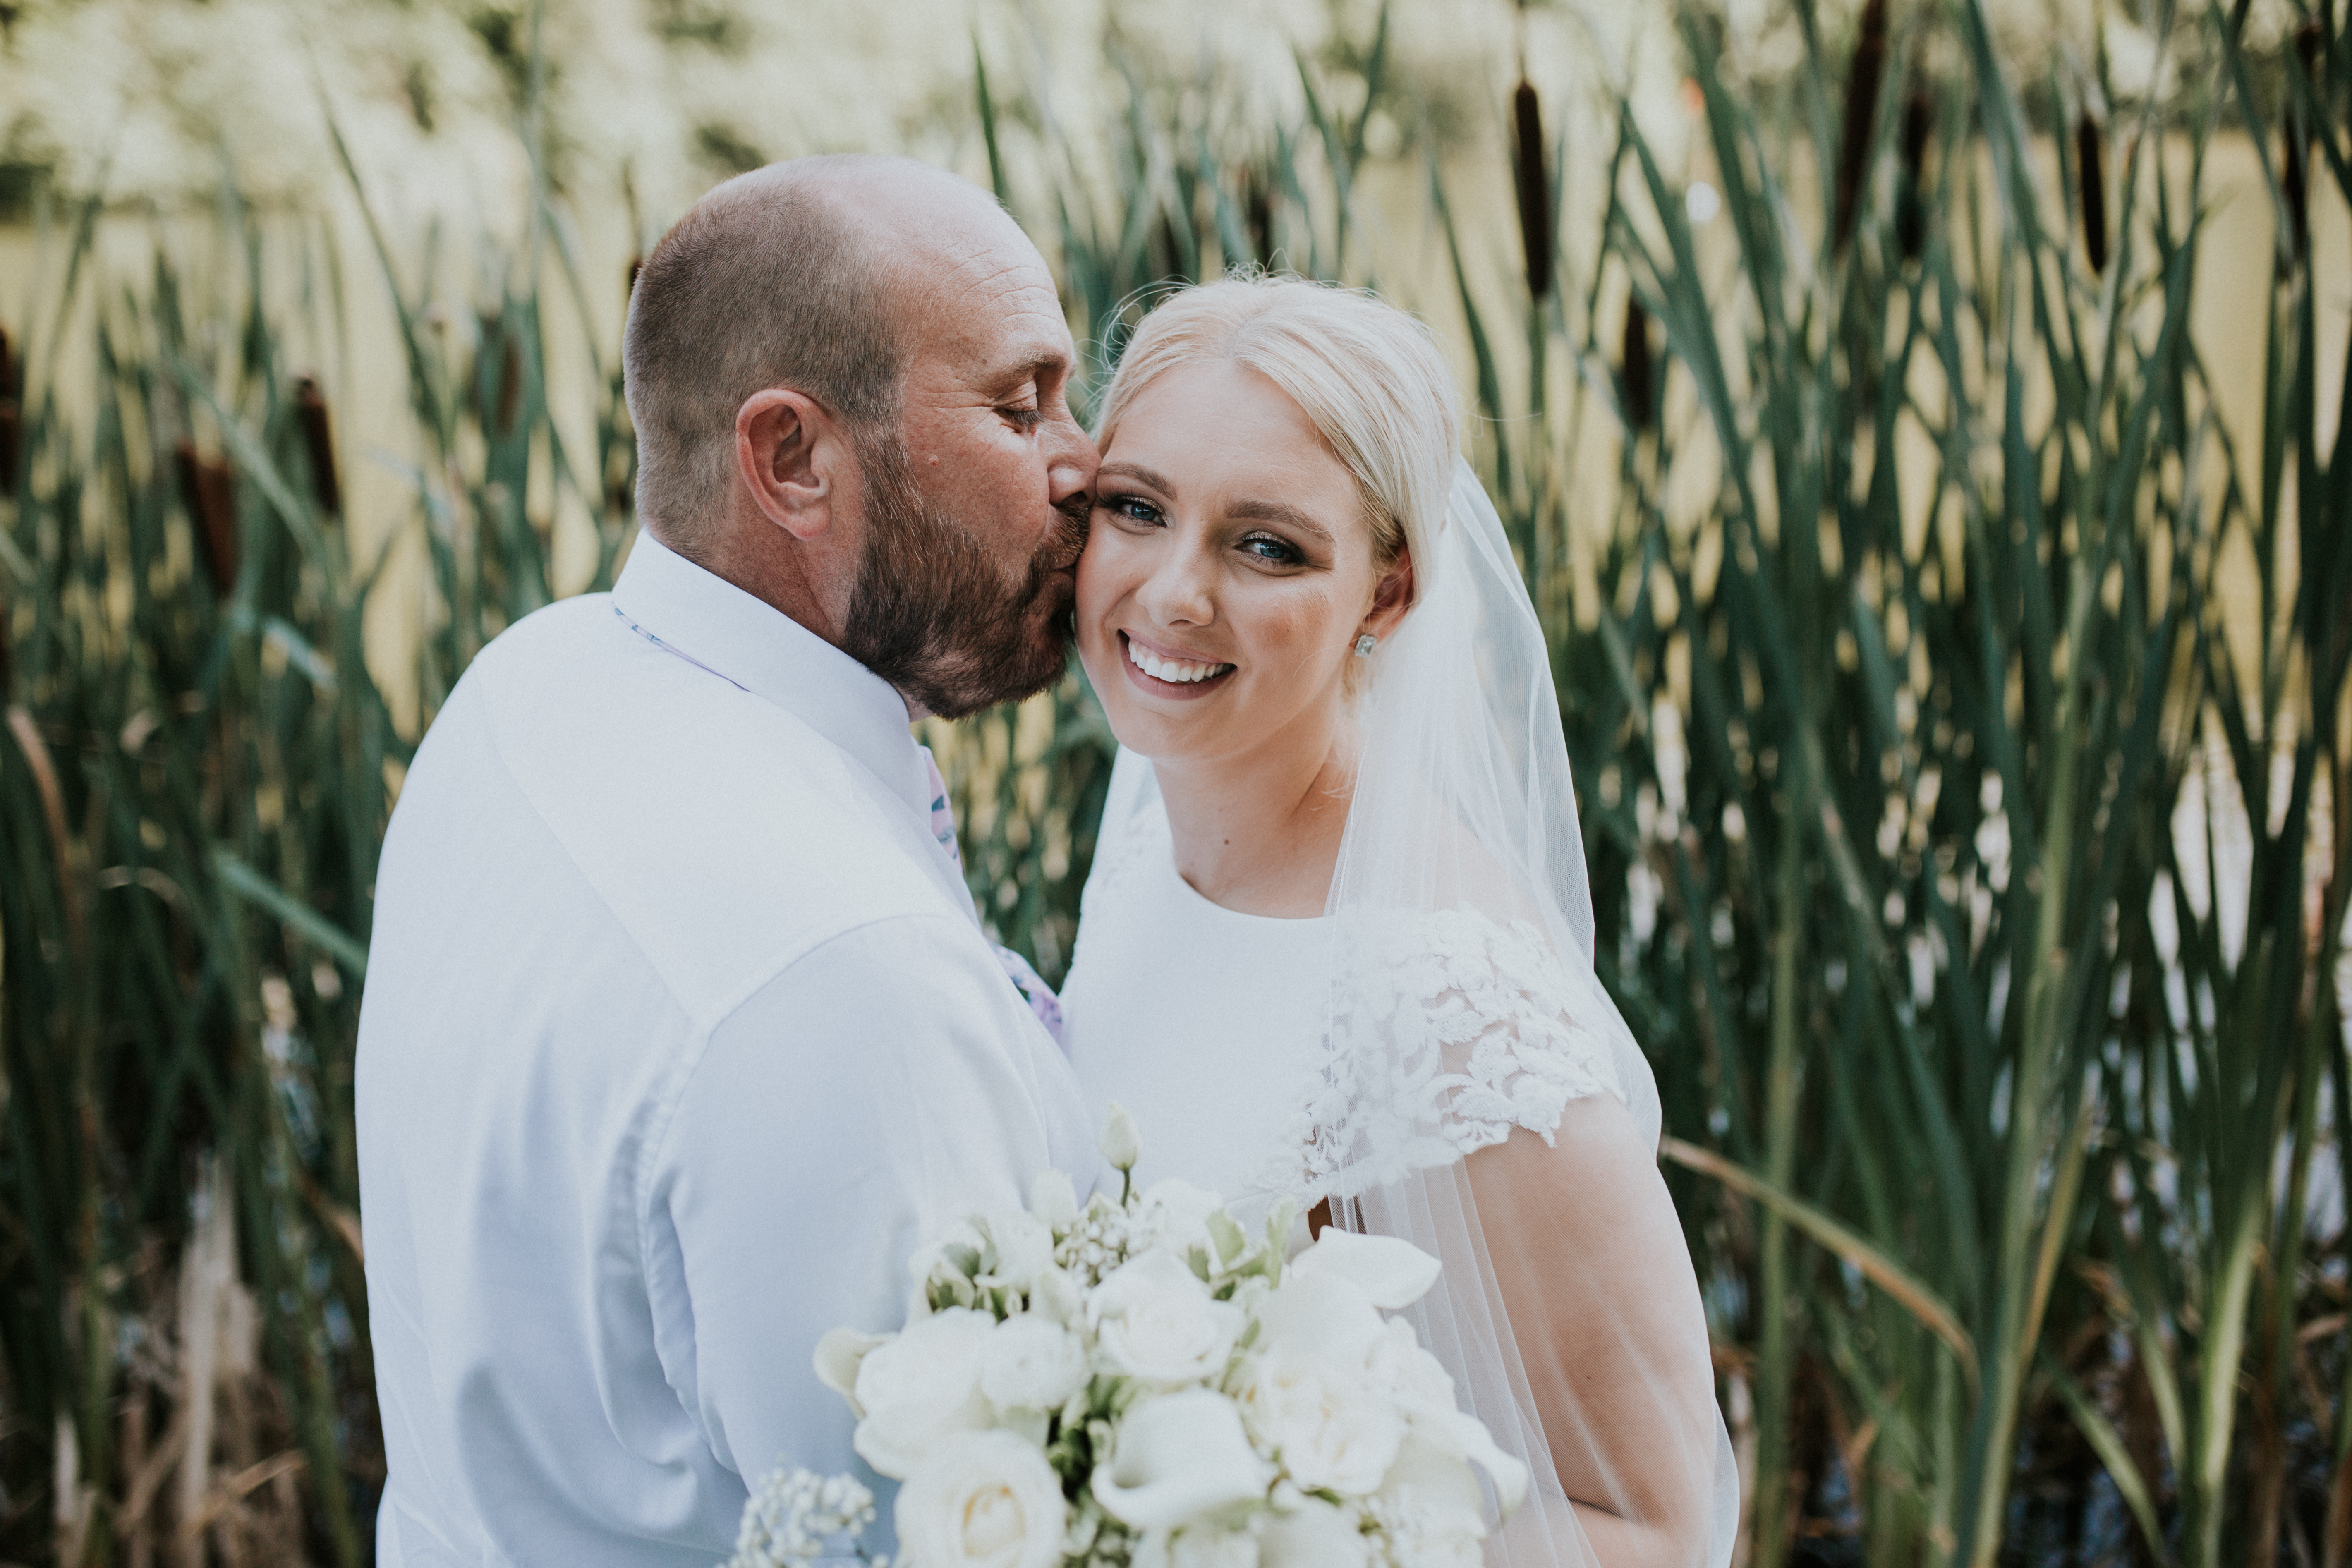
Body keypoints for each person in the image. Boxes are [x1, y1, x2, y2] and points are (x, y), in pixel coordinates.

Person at [356, 156, 1099, 1566]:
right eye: (1021, 405)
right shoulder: (840, 983)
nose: (1088, 462)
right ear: (793, 460)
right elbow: (932, 1536)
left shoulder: (526, 685)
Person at [1058, 276, 1739, 1566]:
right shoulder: (1150, 812)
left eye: (1268, 546)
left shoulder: (1451, 1002)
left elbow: (1656, 1522)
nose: (1173, 593)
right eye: (1135, 510)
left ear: (1388, 596)